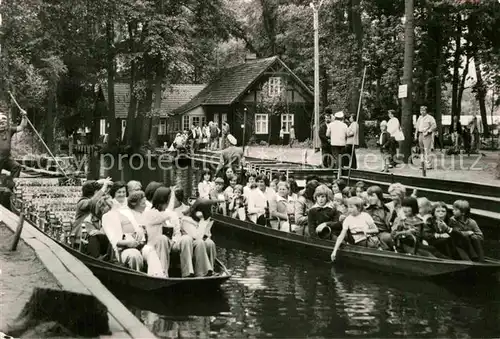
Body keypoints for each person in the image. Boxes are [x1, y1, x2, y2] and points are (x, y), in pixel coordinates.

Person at [331, 197, 381, 261]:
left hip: (369, 241)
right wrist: (334, 251)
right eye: (348, 207)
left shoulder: (365, 216)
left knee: (372, 243)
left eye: (351, 207)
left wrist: (365, 231)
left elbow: (376, 230)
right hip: (358, 243)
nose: (349, 209)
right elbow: (341, 236)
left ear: (359, 208)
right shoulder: (348, 219)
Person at [0, 105, 28, 178]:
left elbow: (21, 127)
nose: (3, 121)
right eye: (1, 120)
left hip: (6, 158)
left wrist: (24, 117)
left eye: (4, 120)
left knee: (16, 167)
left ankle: (12, 185)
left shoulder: (9, 130)